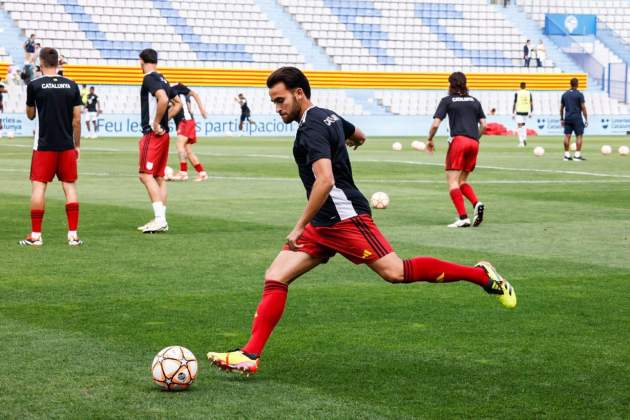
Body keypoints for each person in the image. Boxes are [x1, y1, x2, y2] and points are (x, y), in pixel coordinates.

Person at [206, 67, 516, 376]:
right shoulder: (326, 115)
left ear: (299, 93)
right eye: (274, 102)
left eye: (280, 100)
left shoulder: (311, 128)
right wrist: (355, 140)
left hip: (345, 217)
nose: (277, 108)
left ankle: (481, 275)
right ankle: (250, 354)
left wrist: (299, 225)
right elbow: (356, 133)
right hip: (325, 223)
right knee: (276, 275)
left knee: (396, 272)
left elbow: (325, 181)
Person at [19, 47, 83, 246]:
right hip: (66, 145)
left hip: (44, 145)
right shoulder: (72, 85)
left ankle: (36, 236)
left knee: (39, 188)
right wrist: (77, 145)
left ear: (41, 62)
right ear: (57, 62)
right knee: (70, 187)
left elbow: (30, 115)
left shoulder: (35, 85)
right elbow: (77, 120)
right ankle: (73, 235)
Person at [425, 72, 486, 228]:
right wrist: (475, 139)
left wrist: (430, 140)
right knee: (462, 181)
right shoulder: (475, 101)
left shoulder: (447, 100)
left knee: (452, 181)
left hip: (459, 141)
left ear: (451, 85)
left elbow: (435, 124)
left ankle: (463, 218)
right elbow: (484, 125)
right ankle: (476, 203)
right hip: (474, 142)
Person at [136, 48, 181, 233]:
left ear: (141, 61)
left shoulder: (149, 78)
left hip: (152, 135)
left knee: (145, 175)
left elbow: (162, 99)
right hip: (164, 135)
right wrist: (164, 121)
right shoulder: (163, 78)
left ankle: (160, 219)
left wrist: (155, 122)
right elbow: (177, 103)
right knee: (159, 177)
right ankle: (162, 220)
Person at [169, 82, 209, 182]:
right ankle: (202, 173)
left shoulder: (176, 86)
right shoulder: (164, 93)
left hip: (185, 120)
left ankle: (183, 172)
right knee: (188, 151)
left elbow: (194, 94)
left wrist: (202, 109)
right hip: (184, 122)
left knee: (179, 144)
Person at [561, 78, 588, 161]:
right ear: (577, 84)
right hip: (577, 118)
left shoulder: (565, 94)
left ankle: (566, 155)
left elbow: (561, 108)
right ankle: (577, 155)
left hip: (568, 118)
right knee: (579, 136)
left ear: (570, 84)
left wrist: (562, 119)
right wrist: (586, 119)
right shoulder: (580, 94)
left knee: (567, 135)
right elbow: (583, 107)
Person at [513, 82, 533, 147]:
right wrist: (531, 112)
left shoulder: (517, 93)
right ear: (525, 86)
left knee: (519, 127)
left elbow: (514, 103)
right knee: (523, 126)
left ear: (520, 86)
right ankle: (524, 139)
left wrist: (513, 113)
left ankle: (521, 142)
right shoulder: (528, 93)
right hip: (526, 113)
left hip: (519, 113)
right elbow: (531, 103)